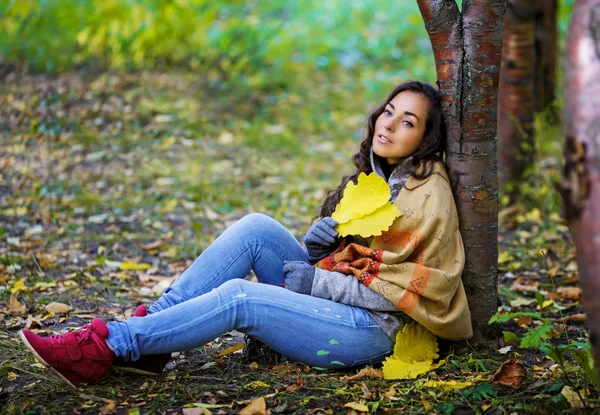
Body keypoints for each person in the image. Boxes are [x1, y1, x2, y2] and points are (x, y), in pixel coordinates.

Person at [19, 81, 473, 388]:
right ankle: (147, 336)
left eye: (408, 122)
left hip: (374, 331)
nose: (389, 124)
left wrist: (315, 280)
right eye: (389, 111)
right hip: (340, 301)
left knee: (242, 297)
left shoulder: (424, 195)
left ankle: (108, 346)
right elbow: (355, 257)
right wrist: (319, 249)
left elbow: (400, 292)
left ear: (428, 137)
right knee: (257, 227)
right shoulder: (379, 176)